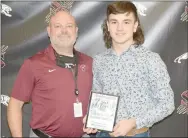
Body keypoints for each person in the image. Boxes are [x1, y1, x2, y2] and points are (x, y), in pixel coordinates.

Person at [83, 1, 175, 137]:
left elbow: (167, 104)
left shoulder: (150, 59)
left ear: (135, 25)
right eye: (114, 22)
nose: (120, 28)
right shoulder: (99, 60)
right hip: (102, 134)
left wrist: (134, 122)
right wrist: (92, 119)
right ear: (108, 26)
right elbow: (98, 97)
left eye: (126, 22)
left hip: (136, 134)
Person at [7, 9, 93, 137]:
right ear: (49, 31)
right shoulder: (33, 64)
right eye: (58, 26)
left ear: (76, 31)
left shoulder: (90, 62)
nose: (64, 31)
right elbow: (15, 104)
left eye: (69, 26)